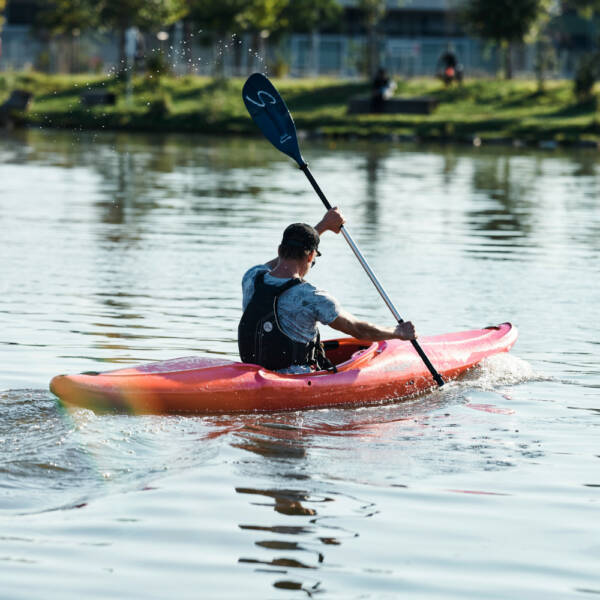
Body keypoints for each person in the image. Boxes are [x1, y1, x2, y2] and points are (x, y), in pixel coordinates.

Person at [238, 208, 417, 373]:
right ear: (310, 256)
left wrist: (324, 226)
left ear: (279, 250)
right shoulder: (312, 297)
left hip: (252, 372)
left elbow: (277, 263)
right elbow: (358, 330)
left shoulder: (252, 278)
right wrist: (398, 333)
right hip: (294, 380)